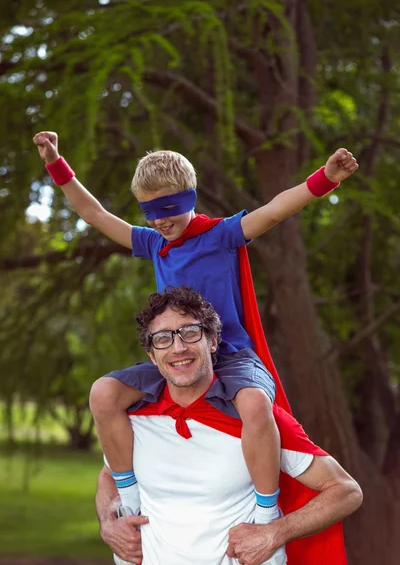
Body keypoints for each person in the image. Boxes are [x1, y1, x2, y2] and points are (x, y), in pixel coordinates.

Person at [33, 131, 358, 565]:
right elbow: (93, 213)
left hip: (232, 355)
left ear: (189, 197)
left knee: (256, 405)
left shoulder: (221, 235)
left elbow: (276, 210)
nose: (160, 221)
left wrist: (327, 178)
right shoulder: (153, 243)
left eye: (167, 209)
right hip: (175, 353)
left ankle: (265, 508)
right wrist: (56, 162)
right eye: (150, 212)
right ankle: (131, 497)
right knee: (104, 393)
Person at [95, 285, 363, 565]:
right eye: (162, 339)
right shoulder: (134, 417)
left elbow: (346, 491)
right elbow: (108, 477)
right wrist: (108, 521)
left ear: (212, 342)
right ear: (152, 356)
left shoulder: (255, 419)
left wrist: (274, 532)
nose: (178, 348)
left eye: (190, 333)